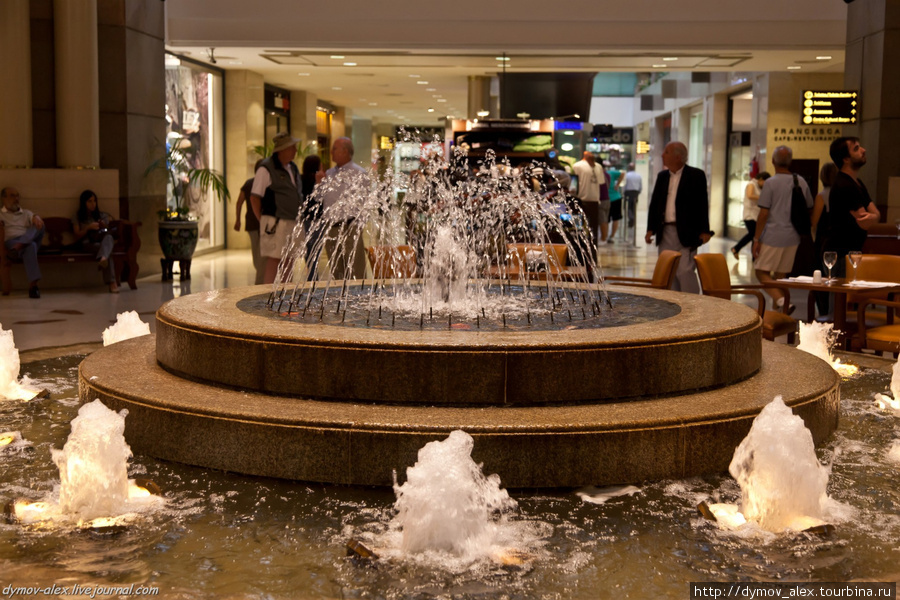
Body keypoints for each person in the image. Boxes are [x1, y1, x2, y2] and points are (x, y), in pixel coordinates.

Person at [751, 146, 813, 312]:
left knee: (760, 272)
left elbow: (763, 214)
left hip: (773, 235)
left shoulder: (770, 183)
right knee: (780, 276)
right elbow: (809, 207)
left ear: (773, 161)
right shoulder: (800, 181)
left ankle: (782, 301)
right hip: (793, 237)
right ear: (790, 162)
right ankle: (778, 312)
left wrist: (756, 239)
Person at [645, 142, 712, 294]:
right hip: (665, 232)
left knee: (685, 270)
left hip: (687, 232)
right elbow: (655, 204)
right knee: (669, 272)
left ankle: (693, 305)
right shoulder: (662, 177)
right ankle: (675, 305)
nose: (662, 155)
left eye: (666, 152)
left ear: (678, 157)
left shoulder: (696, 175)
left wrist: (705, 230)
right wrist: (651, 229)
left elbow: (702, 204)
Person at [822, 136, 880, 279]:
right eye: (856, 148)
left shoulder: (857, 182)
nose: (863, 150)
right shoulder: (844, 185)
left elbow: (876, 214)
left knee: (848, 299)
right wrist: (873, 217)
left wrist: (874, 216)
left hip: (849, 253)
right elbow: (864, 222)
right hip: (840, 254)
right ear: (846, 159)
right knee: (841, 300)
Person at [250, 132, 304, 284]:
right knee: (274, 258)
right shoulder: (266, 168)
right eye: (292, 147)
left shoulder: (292, 167)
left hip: (292, 220)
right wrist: (262, 220)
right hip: (275, 221)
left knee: (290, 258)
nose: (295, 150)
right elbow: (255, 197)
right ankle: (268, 293)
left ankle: (285, 292)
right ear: (282, 150)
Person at [313, 137, 369, 279]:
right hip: (331, 227)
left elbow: (365, 202)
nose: (331, 152)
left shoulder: (359, 173)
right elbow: (319, 199)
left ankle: (359, 298)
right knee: (336, 270)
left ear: (345, 151)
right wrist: (319, 184)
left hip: (350, 226)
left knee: (356, 269)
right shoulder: (329, 173)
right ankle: (340, 297)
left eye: (335, 149)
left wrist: (358, 226)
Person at [0, 187, 44, 298]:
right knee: (31, 245)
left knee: (40, 225)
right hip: (10, 242)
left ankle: (18, 247)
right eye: (12, 196)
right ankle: (33, 287)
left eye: (17, 196)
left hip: (18, 246)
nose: (16, 198)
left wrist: (36, 218)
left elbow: (36, 222)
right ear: (3, 198)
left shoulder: (26, 213)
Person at [73, 190, 119, 293]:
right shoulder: (78, 216)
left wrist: (104, 226)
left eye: (94, 201)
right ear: (84, 202)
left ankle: (103, 258)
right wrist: (88, 228)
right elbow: (76, 235)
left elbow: (108, 231)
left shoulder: (101, 215)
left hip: (101, 241)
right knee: (108, 251)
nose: (93, 204)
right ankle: (112, 283)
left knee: (108, 240)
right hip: (87, 243)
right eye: (89, 201)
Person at [234, 159, 264, 285]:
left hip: (253, 223)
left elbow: (239, 202)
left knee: (258, 253)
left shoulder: (249, 183)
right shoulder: (262, 183)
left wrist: (238, 220)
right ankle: (260, 278)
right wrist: (237, 220)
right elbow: (240, 202)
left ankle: (261, 276)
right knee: (259, 254)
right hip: (258, 223)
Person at [731, 171, 770, 258]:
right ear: (760, 179)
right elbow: (750, 195)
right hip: (749, 215)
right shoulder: (751, 184)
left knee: (755, 236)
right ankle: (737, 248)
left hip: (756, 215)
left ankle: (753, 256)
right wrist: (763, 198)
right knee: (753, 234)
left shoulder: (760, 187)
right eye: (765, 182)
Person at [572, 151, 605, 245]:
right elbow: (573, 184)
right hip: (581, 200)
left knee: (593, 229)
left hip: (594, 200)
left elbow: (601, 183)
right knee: (579, 229)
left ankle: (593, 250)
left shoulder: (598, 167)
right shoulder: (577, 166)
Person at [300, 154, 324, 280]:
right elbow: (319, 199)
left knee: (308, 250)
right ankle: (313, 278)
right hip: (317, 219)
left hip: (305, 219)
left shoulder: (300, 179)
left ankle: (312, 275)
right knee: (315, 250)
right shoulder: (317, 179)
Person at [606, 163, 624, 241]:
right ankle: (609, 236)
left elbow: (622, 173)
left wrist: (617, 184)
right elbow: (622, 174)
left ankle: (609, 236)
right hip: (611, 198)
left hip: (612, 198)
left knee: (610, 219)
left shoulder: (610, 173)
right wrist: (617, 184)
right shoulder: (610, 173)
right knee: (612, 219)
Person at [622, 163, 642, 229]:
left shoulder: (627, 175)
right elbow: (640, 186)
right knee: (633, 207)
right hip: (635, 193)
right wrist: (638, 192)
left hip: (628, 193)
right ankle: (632, 218)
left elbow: (624, 185)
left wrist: (623, 192)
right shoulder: (638, 175)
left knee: (629, 207)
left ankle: (631, 218)